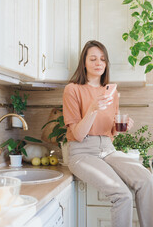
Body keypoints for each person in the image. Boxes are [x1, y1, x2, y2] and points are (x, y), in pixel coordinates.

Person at [63, 40, 153, 227]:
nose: (99, 63)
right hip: (82, 153)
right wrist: (93, 108)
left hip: (108, 150)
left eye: (103, 59)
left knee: (147, 179)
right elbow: (78, 135)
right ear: (84, 63)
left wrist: (123, 126)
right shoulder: (72, 89)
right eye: (93, 58)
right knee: (122, 195)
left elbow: (110, 133)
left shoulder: (110, 92)